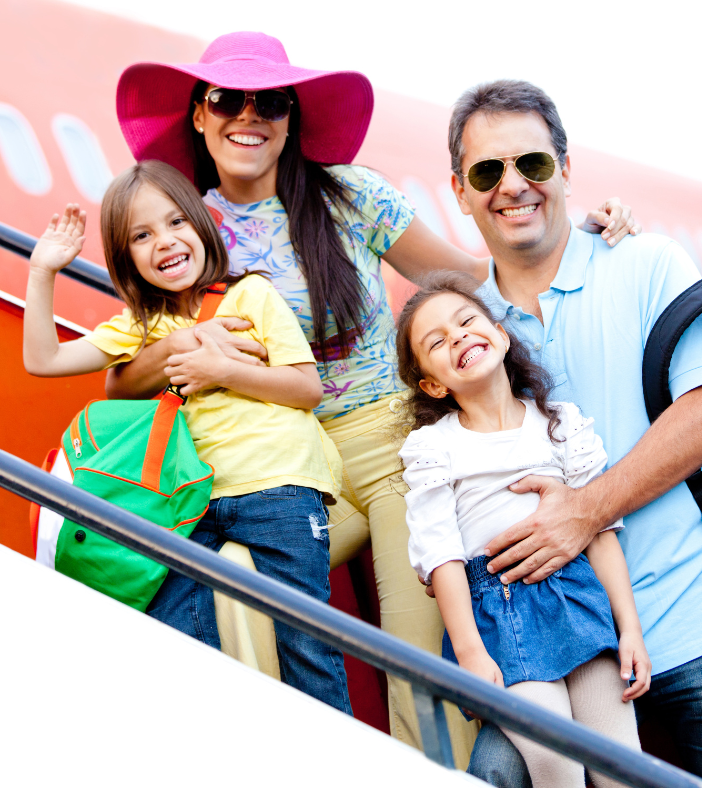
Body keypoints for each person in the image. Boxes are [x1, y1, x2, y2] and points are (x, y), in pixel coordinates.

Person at [110, 31, 638, 761]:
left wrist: (576, 237)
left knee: (413, 652)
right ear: (199, 115)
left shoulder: (350, 195)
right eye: (226, 100)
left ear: (290, 117)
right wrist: (179, 351)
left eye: (269, 101)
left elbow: (469, 276)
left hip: (391, 447)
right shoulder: (186, 226)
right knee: (233, 589)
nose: (247, 116)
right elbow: (127, 365)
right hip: (290, 469)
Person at [442, 80, 702, 788]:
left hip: (701, 623)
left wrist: (584, 512)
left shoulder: (645, 262)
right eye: (488, 172)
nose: (513, 186)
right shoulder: (463, 324)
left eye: (532, 165)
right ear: (459, 190)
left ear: (566, 170)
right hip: (561, 656)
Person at [21, 161, 349, 713]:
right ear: (127, 259)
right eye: (141, 236)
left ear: (201, 225)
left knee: (307, 643)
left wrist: (220, 372)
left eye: (176, 223)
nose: (165, 242)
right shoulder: (138, 327)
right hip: (194, 501)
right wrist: (42, 272)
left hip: (280, 487)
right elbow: (43, 358)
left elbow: (305, 388)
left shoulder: (251, 297)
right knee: (174, 627)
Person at [395, 271, 649, 788]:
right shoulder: (434, 449)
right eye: (437, 342)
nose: (459, 336)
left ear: (501, 334)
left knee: (620, 760)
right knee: (556, 759)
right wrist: (468, 651)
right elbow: (440, 556)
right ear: (433, 384)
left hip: (576, 595)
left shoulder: (559, 423)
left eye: (467, 321)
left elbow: (600, 531)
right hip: (499, 611)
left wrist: (631, 630)